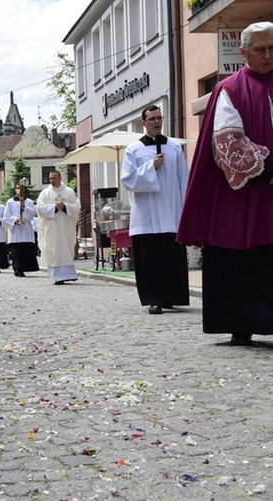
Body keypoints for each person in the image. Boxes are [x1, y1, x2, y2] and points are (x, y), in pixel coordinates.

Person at [177, 22, 273, 346]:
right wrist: (267, 165)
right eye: (260, 49)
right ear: (243, 51)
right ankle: (241, 325)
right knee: (241, 260)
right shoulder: (230, 89)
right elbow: (227, 145)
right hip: (244, 193)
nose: (267, 55)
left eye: (272, 48)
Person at [121, 105, 190, 315]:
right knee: (150, 260)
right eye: (152, 119)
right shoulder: (134, 149)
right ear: (144, 123)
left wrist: (186, 209)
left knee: (171, 258)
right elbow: (128, 180)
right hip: (147, 216)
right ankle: (154, 299)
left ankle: (172, 296)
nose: (157, 122)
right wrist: (151, 167)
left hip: (171, 212)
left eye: (159, 118)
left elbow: (183, 179)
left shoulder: (174, 147)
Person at [37, 170, 81, 284]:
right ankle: (56, 277)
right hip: (52, 228)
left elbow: (77, 206)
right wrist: (55, 208)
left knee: (66, 248)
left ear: (60, 178)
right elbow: (40, 209)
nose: (52, 181)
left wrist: (65, 206)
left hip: (66, 226)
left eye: (54, 178)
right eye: (50, 178)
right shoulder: (45, 193)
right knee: (53, 249)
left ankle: (69, 274)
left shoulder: (69, 192)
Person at [3, 181, 39, 277]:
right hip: (15, 230)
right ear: (15, 189)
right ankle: (17, 269)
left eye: (21, 188)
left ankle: (25, 268)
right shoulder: (10, 202)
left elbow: (32, 215)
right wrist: (15, 220)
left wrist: (24, 206)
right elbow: (6, 216)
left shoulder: (29, 202)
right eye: (17, 188)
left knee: (25, 250)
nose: (19, 190)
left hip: (26, 229)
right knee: (16, 251)